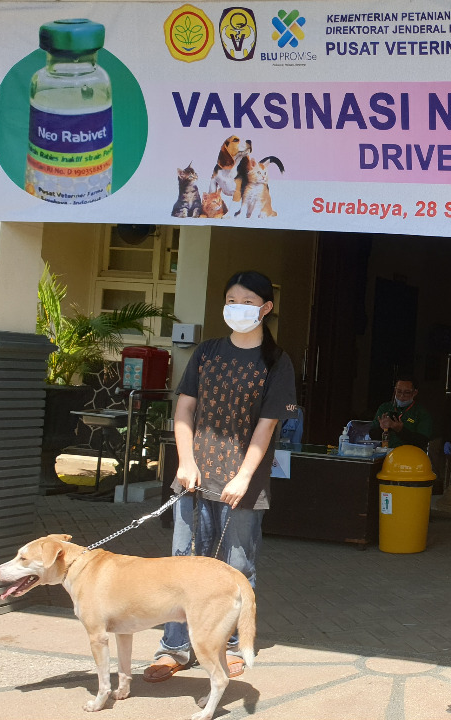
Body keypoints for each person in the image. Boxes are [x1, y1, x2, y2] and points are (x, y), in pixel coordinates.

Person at [144, 271, 297, 682]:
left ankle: (229, 645)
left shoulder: (277, 362)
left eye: (247, 301)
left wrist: (244, 477)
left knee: (236, 568)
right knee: (182, 566)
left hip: (241, 486)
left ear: (265, 308)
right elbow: (184, 411)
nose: (237, 307)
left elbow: (266, 427)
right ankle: (174, 648)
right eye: (231, 299)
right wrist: (186, 461)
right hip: (194, 478)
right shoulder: (207, 352)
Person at [370, 377, 434, 450]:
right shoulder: (385, 408)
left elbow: (422, 441)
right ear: (395, 391)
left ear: (415, 393)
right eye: (399, 391)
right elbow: (372, 435)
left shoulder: (421, 413)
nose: (402, 396)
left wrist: (400, 430)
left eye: (407, 392)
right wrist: (382, 428)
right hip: (386, 454)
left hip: (409, 456)